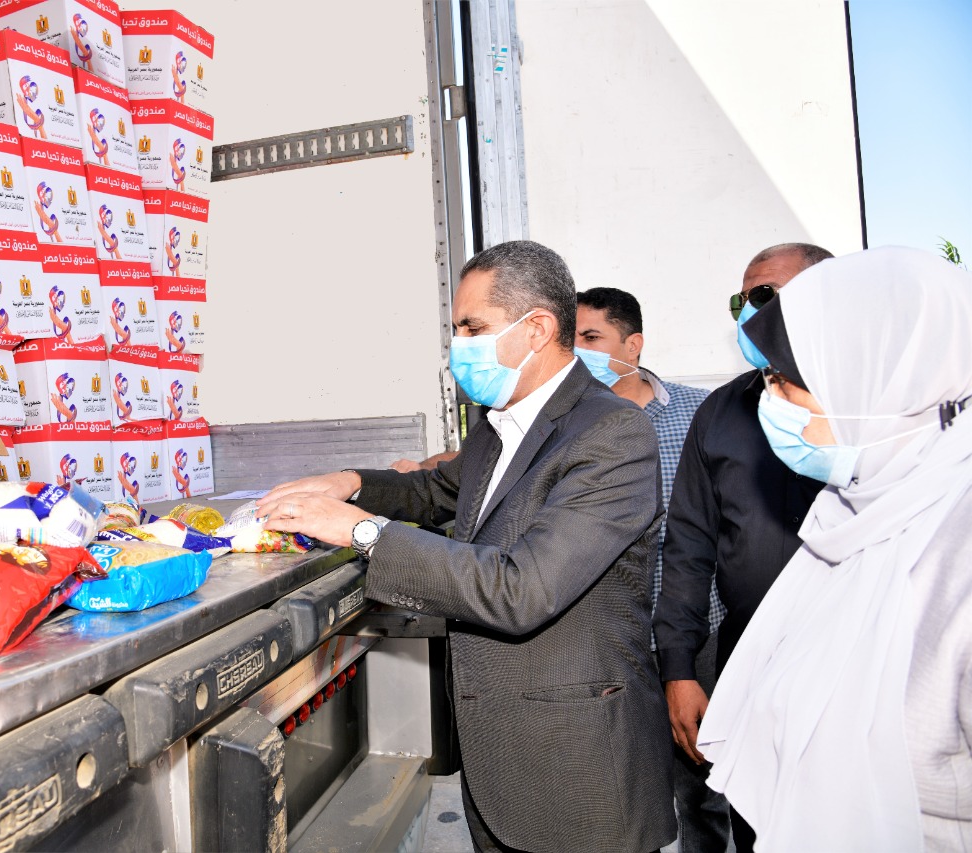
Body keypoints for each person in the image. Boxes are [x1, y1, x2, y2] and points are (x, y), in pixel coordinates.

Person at [259, 241, 676, 853]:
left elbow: (521, 588)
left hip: (577, 772)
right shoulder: (500, 422)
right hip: (498, 767)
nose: (459, 346)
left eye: (473, 328)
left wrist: (359, 530)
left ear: (537, 329)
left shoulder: (611, 433)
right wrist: (349, 483)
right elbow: (434, 491)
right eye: (456, 329)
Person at [697, 247, 972, 850]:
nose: (770, 403)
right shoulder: (851, 513)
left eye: (787, 382)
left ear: (875, 382)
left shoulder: (958, 557)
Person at [652, 242, 832, 851]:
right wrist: (680, 669)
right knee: (759, 823)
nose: (748, 312)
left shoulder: (877, 402)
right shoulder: (722, 411)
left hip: (852, 664)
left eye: (764, 295)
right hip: (751, 663)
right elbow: (688, 546)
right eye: (742, 299)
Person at [575, 287, 729, 852]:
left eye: (591, 338)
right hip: (613, 639)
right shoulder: (568, 422)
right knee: (618, 782)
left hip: (696, 631)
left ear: (632, 345)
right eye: (571, 339)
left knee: (702, 778)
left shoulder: (699, 412)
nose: (578, 350)